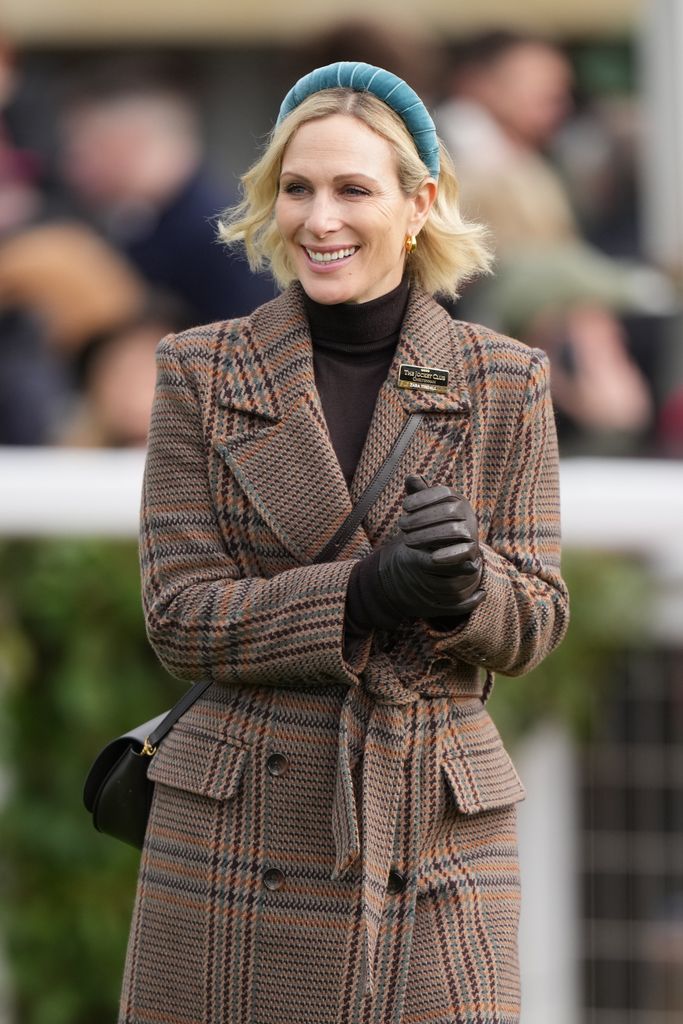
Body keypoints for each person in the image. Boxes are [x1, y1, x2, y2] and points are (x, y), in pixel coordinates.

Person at [120, 62, 569, 1024]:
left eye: (353, 189)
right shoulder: (200, 371)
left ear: (418, 205)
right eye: (297, 187)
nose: (319, 219)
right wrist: (364, 592)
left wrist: (462, 589)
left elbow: (535, 620)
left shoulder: (504, 380)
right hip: (239, 827)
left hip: (434, 829)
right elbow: (178, 618)